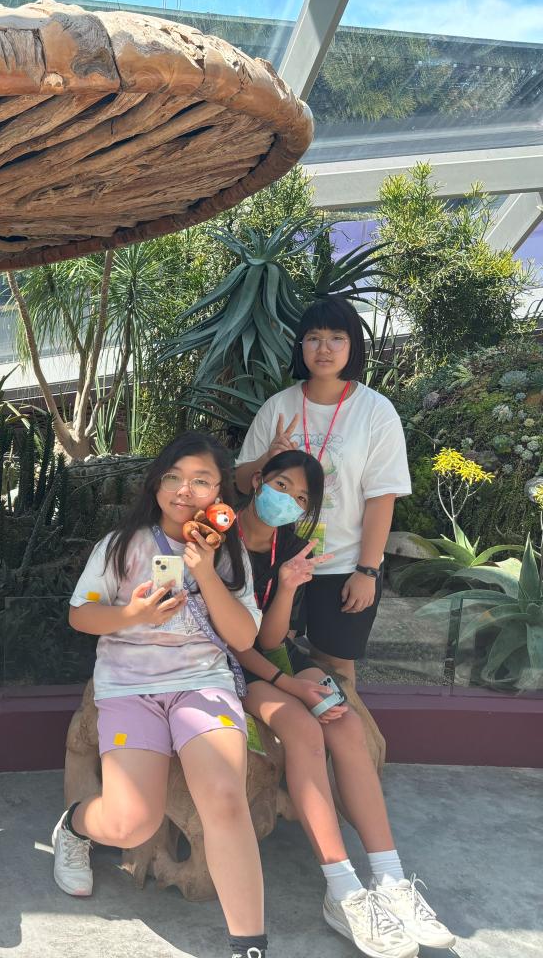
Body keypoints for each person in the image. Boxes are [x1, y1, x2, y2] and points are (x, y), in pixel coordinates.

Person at [53, 432, 270, 958]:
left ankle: (249, 945)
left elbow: (244, 637)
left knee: (224, 798)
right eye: (173, 477)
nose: (184, 490)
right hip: (131, 686)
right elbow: (80, 615)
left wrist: (204, 571)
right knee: (131, 823)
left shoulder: (229, 554)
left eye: (201, 481)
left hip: (202, 684)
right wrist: (134, 614)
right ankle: (74, 826)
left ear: (220, 493)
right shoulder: (121, 545)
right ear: (155, 485)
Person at [235, 450, 453, 957]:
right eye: (282, 486)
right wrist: (292, 688)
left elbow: (273, 639)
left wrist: (287, 585)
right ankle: (342, 889)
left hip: (272, 653)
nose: (289, 500)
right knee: (304, 729)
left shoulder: (291, 546)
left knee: (345, 721)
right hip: (229, 663)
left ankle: (390, 879)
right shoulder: (217, 536)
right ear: (259, 480)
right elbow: (237, 643)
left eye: (301, 498)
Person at [235, 295, 411, 686]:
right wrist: (267, 457)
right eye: (313, 338)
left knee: (337, 670)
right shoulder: (278, 407)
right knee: (275, 656)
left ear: (353, 346)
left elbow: (382, 497)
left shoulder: (375, 411)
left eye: (336, 338)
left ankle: (342, 725)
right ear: (301, 346)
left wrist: (367, 571)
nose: (324, 348)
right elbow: (242, 481)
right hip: (277, 560)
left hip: (343, 565)